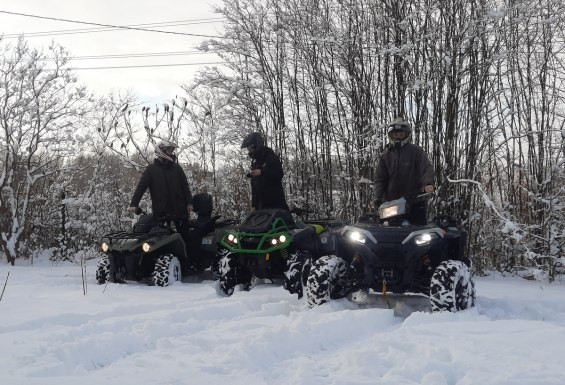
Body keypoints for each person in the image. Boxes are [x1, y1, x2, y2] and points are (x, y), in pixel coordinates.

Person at [128, 140, 194, 258]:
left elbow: (185, 187)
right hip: (161, 213)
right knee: (159, 241)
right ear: (161, 151)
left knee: (186, 238)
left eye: (172, 150)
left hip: (180, 212)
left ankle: (190, 262)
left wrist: (189, 203)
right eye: (169, 150)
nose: (171, 153)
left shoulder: (177, 168)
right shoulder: (151, 169)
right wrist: (134, 204)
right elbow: (141, 187)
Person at [374, 118, 435, 225]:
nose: (398, 136)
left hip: (414, 201)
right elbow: (380, 179)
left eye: (401, 134)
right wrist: (377, 196)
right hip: (391, 204)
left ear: (406, 135)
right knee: (386, 231)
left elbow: (426, 168)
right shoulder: (386, 155)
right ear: (391, 135)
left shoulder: (416, 151)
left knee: (419, 233)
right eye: (395, 134)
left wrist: (428, 184)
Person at [241, 132, 289, 211]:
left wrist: (262, 172)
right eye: (247, 148)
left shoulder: (269, 155)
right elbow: (254, 185)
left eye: (249, 147)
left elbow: (279, 174)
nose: (248, 149)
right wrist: (254, 204)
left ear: (255, 145)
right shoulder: (255, 161)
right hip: (261, 206)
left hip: (275, 204)